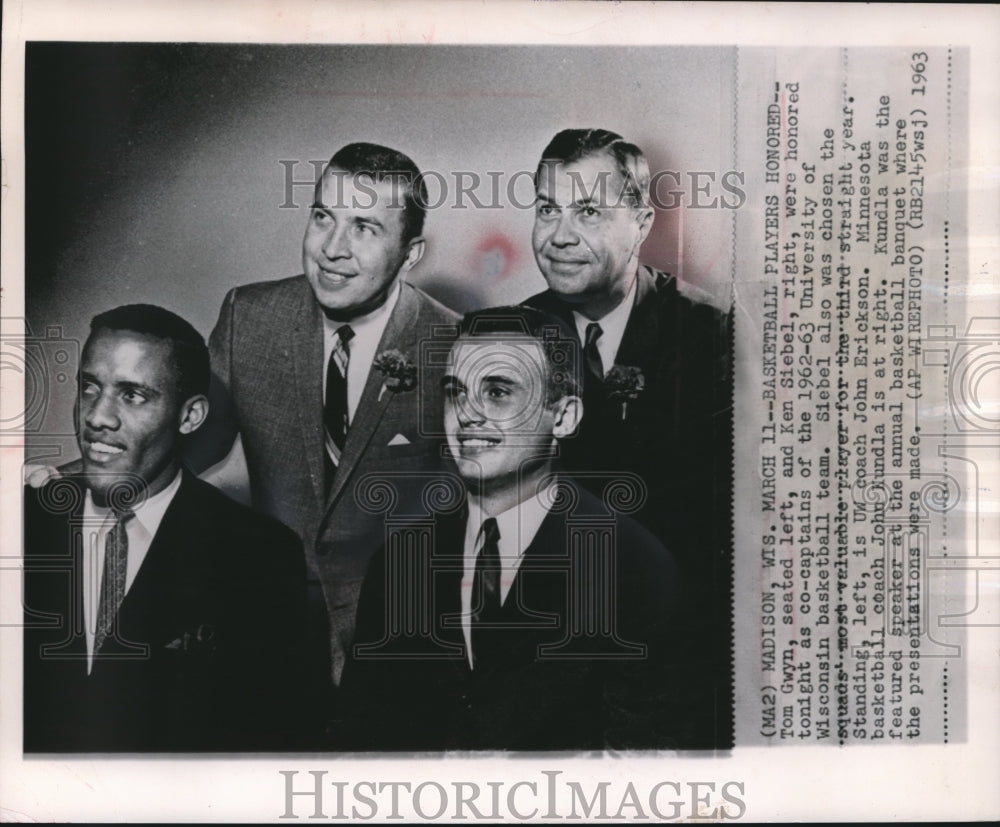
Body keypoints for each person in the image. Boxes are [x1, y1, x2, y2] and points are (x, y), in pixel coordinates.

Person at [338, 307, 683, 750]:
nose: (467, 415)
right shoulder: (400, 560)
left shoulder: (633, 568)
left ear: (564, 417)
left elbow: (645, 769)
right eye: (455, 392)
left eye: (498, 392)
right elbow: (361, 742)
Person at [186, 142, 461, 694]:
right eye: (322, 218)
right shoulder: (250, 315)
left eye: (364, 227)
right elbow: (188, 442)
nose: (332, 248)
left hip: (404, 640)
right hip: (265, 625)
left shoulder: (453, 344)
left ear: (410, 255)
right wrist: (81, 478)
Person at [523, 128, 733, 747]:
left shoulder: (712, 339)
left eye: (588, 211)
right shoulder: (516, 335)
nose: (559, 235)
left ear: (642, 222)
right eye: (546, 209)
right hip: (552, 657)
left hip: (674, 667)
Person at [22, 304, 309, 752]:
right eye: (90, 387)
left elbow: (270, 745)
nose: (97, 417)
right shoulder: (20, 522)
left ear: (190, 416)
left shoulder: (259, 555)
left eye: (132, 395)